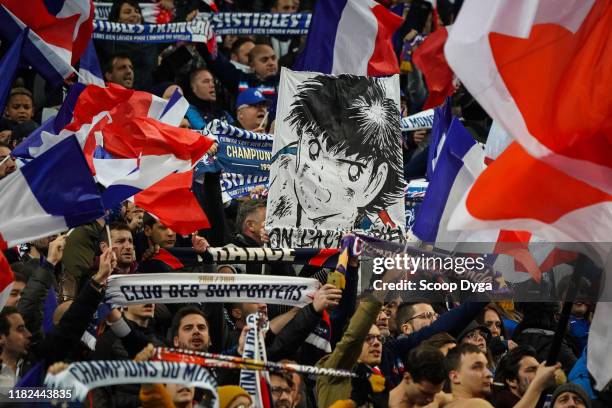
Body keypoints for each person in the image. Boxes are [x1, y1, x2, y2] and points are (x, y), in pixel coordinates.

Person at [266, 74, 404, 231]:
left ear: (376, 181)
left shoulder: (382, 225)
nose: (320, 174)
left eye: (351, 169)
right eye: (313, 150)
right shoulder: (283, 173)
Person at [444, 344, 494, 408]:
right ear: (455, 377)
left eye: (487, 367)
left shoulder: (444, 404)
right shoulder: (478, 405)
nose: (489, 374)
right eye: (477, 367)